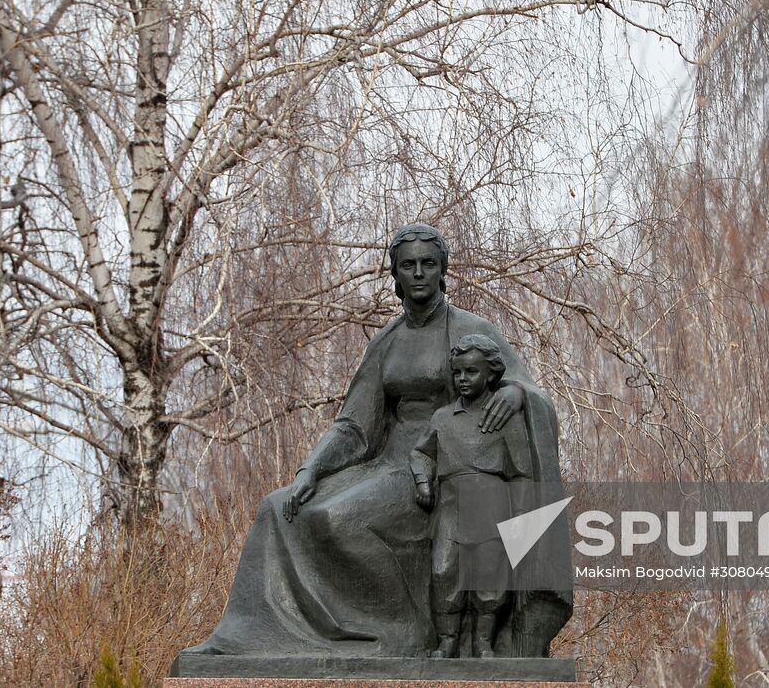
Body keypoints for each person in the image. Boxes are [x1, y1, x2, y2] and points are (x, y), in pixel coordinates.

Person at [183, 223, 571, 658]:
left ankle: (399, 635)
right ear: (396, 276)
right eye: (409, 265)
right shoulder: (386, 342)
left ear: (443, 271)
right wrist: (312, 469)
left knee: (337, 520)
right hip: (389, 462)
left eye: (429, 264)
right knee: (279, 508)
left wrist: (517, 393)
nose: (419, 273)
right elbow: (354, 426)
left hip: (444, 467)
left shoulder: (471, 329)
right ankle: (249, 640)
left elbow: (528, 387)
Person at [411, 333, 533, 659]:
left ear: (490, 374)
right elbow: (421, 453)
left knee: (489, 575)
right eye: (458, 373)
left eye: (471, 372)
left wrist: (521, 520)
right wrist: (423, 482)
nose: (463, 379)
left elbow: (522, 473)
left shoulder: (505, 417)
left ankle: (482, 642)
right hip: (450, 506)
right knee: (443, 571)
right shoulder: (442, 418)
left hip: (493, 504)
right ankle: (448, 640)